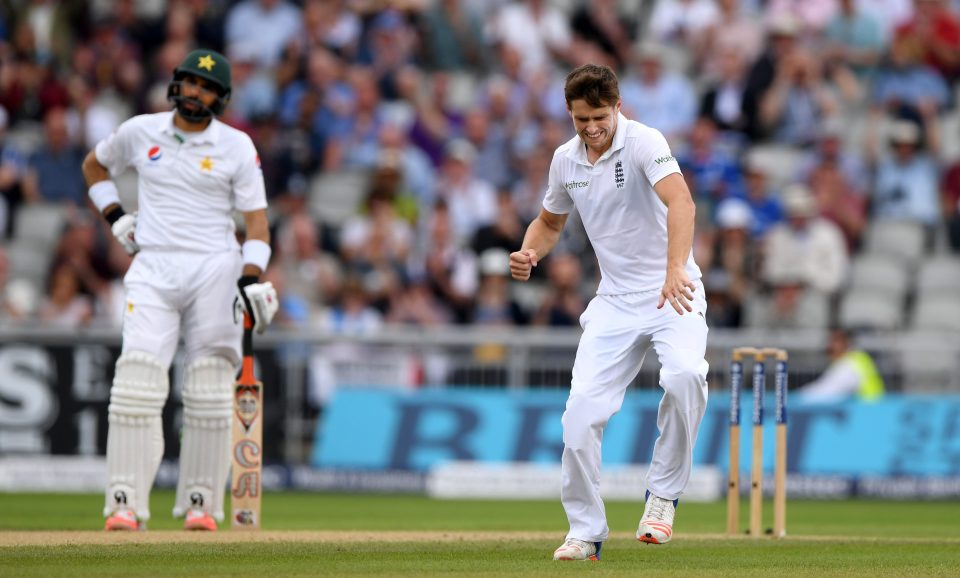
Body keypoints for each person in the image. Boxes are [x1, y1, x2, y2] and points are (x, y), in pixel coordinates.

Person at [510, 63, 708, 561]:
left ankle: (662, 496)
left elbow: (681, 202)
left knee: (686, 376)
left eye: (599, 115)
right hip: (615, 302)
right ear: (570, 114)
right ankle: (585, 531)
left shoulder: (643, 141)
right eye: (581, 119)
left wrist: (673, 268)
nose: (592, 127)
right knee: (579, 415)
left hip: (673, 289)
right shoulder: (564, 161)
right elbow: (549, 222)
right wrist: (531, 251)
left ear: (617, 107)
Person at [81, 49, 279, 532]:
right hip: (152, 266)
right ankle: (124, 503)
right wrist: (116, 218)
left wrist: (251, 277)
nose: (196, 93)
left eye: (207, 87)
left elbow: (257, 223)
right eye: (190, 83)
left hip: (216, 268)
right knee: (136, 382)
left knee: (210, 387)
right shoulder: (140, 130)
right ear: (176, 84)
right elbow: (93, 167)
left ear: (222, 98)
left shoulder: (236, 145)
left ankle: (202, 504)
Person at [799, 328, 885, 402]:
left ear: (845, 344)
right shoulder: (858, 358)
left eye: (834, 343)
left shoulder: (849, 364)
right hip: (870, 409)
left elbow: (828, 391)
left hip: (866, 412)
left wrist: (799, 396)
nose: (829, 348)